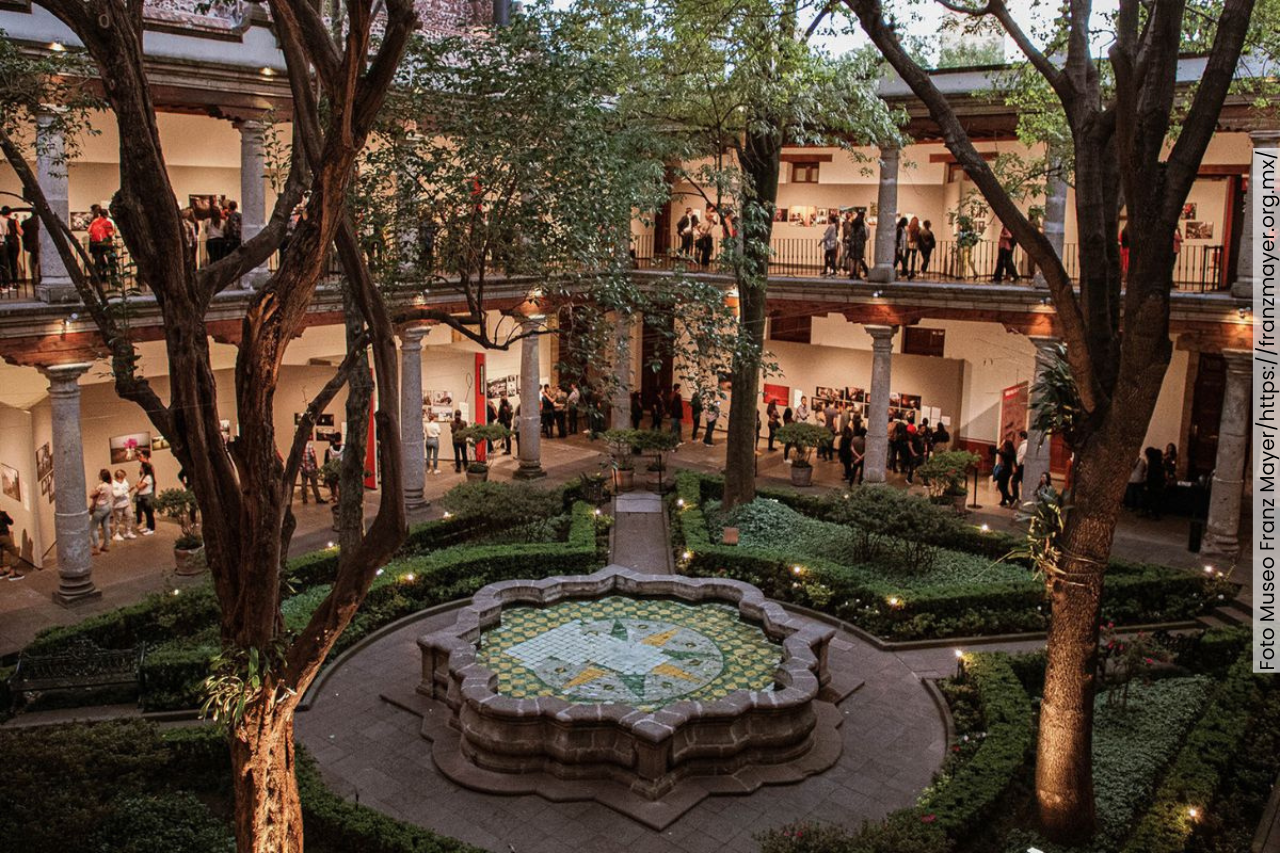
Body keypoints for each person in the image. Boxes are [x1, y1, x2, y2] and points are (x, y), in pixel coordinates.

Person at [89, 469, 114, 555]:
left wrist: (94, 489)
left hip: (101, 507)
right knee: (106, 526)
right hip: (108, 506)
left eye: (99, 474)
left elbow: (92, 495)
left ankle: (96, 547)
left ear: (102, 476)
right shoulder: (110, 485)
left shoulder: (101, 486)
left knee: (93, 527)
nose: (98, 475)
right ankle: (106, 545)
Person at [88, 206, 117, 279]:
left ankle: (96, 277)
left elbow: (89, 231)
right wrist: (114, 231)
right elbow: (110, 233)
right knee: (111, 259)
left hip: (96, 244)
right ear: (106, 214)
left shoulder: (94, 221)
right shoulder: (108, 222)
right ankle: (113, 276)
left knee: (98, 261)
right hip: (106, 243)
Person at [0, 206, 21, 290]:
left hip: (5, 242)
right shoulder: (12, 221)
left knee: (4, 264)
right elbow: (21, 233)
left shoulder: (2, 220)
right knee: (13, 263)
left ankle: (6, 283)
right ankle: (14, 282)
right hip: (12, 242)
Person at [111, 469, 135, 540]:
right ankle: (115, 534)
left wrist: (129, 490)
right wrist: (125, 491)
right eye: (122, 477)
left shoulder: (125, 481)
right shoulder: (113, 483)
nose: (123, 478)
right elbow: (115, 494)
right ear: (118, 477)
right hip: (118, 505)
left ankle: (128, 532)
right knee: (117, 519)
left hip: (126, 502)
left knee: (130, 516)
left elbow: (126, 490)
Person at [994, 432, 1017, 507]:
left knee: (1001, 486)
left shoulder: (1005, 453)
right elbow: (1015, 462)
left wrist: (1001, 445)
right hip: (1009, 470)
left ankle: (1010, 499)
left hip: (1004, 470)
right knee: (1005, 486)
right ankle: (1003, 501)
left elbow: (996, 451)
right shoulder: (1012, 453)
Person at [133, 460, 156, 534]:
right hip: (142, 496)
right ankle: (148, 527)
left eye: (142, 467)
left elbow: (140, 486)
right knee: (146, 512)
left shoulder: (148, 477)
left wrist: (138, 485)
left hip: (147, 496)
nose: (140, 469)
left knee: (149, 513)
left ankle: (151, 528)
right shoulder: (143, 476)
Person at [0, 507, 23, 580]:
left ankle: (1, 572)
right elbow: (10, 522)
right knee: (14, 553)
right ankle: (12, 573)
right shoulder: (2, 514)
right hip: (3, 536)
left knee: (0, 553)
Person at [1143, 446, 1165, 520]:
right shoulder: (1159, 463)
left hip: (1153, 484)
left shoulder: (1152, 464)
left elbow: (1150, 475)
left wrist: (1147, 483)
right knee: (1155, 499)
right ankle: (1154, 513)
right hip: (1158, 484)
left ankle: (1153, 513)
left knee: (1153, 498)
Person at [846, 210, 869, 279]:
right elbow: (864, 237)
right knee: (858, 260)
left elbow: (849, 236)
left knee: (852, 259)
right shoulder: (862, 228)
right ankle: (857, 274)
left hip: (852, 245)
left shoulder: (852, 228)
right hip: (859, 245)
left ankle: (851, 273)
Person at [22, 212, 39, 287]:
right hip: (39, 243)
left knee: (33, 260)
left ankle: (35, 277)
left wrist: (26, 245)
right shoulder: (41, 222)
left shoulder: (26, 222)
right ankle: (37, 277)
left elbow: (24, 236)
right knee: (38, 260)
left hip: (31, 244)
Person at [324, 436, 344, 501]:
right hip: (341, 468)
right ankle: (340, 496)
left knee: (332, 484)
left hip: (332, 468)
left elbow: (326, 461)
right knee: (340, 483)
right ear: (340, 440)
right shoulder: (344, 449)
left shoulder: (329, 450)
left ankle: (334, 496)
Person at [1013, 430, 1029, 504]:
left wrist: (1017, 465)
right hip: (1023, 466)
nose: (1019, 438)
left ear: (1022, 437)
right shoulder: (1026, 444)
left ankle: (1016, 498)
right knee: (1023, 482)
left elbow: (1021, 456)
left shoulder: (1024, 445)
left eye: (1019, 437)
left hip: (1021, 466)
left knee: (1014, 481)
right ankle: (1022, 498)